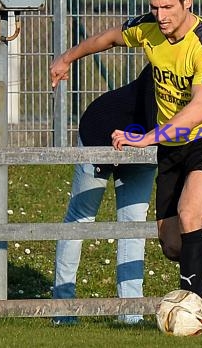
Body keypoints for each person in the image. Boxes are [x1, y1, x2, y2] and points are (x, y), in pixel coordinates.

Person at [50, 0, 202, 300]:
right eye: (155, 7)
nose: (161, 16)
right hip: (153, 140)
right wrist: (66, 58)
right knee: (171, 242)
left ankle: (188, 306)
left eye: (168, 6)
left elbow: (199, 110)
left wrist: (147, 138)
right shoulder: (150, 27)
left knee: (190, 215)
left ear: (188, 0)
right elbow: (108, 38)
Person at [52, 65, 157, 326]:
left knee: (133, 226)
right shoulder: (166, 63)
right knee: (81, 218)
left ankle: (131, 314)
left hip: (145, 147)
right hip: (101, 133)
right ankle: (63, 310)